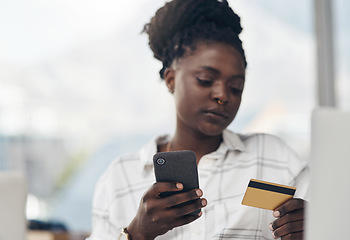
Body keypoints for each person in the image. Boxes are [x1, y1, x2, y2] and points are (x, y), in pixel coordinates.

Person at [87, 0, 309, 239]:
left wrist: (316, 228)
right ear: (171, 79)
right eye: (205, 79)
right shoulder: (120, 176)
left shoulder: (275, 157)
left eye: (236, 87)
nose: (222, 95)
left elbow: (330, 226)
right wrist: (138, 233)